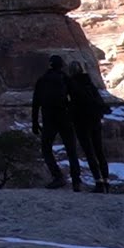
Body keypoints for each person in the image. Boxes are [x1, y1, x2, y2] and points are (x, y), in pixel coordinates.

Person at [31, 54, 82, 191]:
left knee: (46, 149)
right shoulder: (65, 79)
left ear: (50, 65)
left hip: (49, 119)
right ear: (61, 65)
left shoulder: (42, 80)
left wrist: (35, 123)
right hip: (65, 118)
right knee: (71, 150)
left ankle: (58, 177)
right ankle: (76, 181)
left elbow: (36, 103)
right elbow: (76, 98)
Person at [67, 61, 112, 193]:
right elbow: (98, 99)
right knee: (99, 151)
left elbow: (71, 103)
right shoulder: (89, 82)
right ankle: (106, 182)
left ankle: (98, 182)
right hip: (95, 119)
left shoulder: (71, 84)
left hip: (81, 121)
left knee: (89, 152)